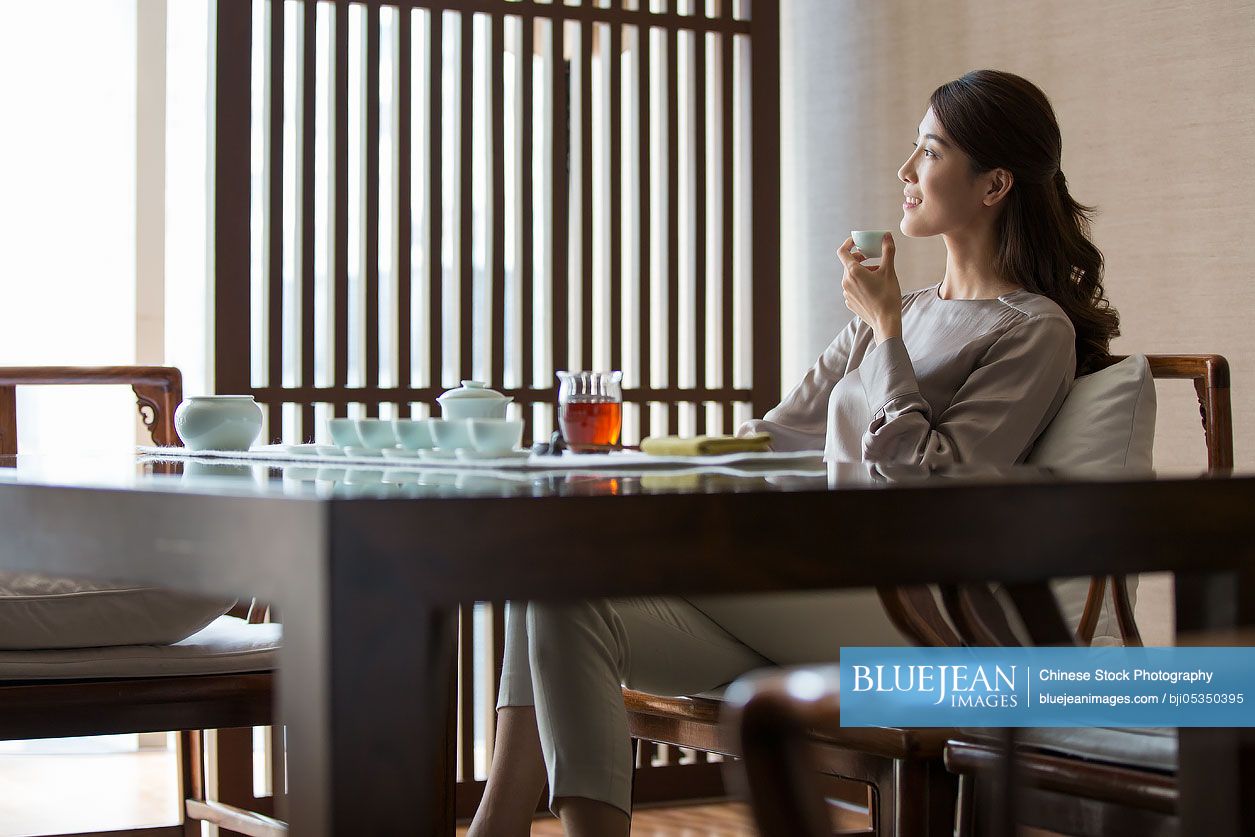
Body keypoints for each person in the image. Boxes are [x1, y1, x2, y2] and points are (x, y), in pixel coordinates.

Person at [467, 69, 1121, 837]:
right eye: (913, 148)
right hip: (820, 592)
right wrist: (642, 461)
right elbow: (773, 437)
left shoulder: (1028, 329)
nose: (906, 171)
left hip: (919, 616)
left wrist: (885, 336)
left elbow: (932, 481)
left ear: (993, 184)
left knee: (563, 555)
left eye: (930, 151)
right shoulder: (901, 307)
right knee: (553, 585)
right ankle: (500, 825)